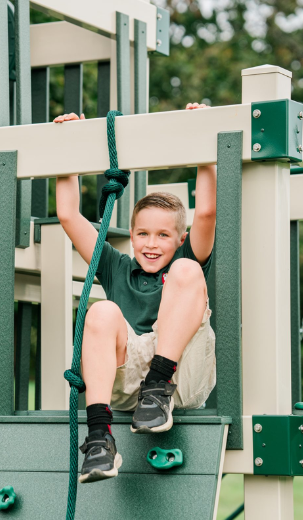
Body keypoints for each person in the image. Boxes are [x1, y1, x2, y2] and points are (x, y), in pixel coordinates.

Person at [53, 103, 217, 484]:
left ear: (181, 238)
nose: (151, 244)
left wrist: (205, 132)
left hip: (182, 377)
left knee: (187, 272)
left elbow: (206, 212)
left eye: (163, 235)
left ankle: (158, 387)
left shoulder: (188, 257)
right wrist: (69, 147)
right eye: (143, 234)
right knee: (100, 311)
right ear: (131, 235)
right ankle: (99, 437)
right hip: (127, 384)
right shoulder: (116, 266)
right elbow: (68, 215)